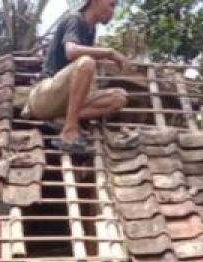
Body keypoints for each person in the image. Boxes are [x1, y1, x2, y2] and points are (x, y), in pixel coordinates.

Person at [26, 0, 129, 154]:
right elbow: (71, 51)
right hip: (44, 95)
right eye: (111, 5)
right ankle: (69, 132)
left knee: (119, 97)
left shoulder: (90, 30)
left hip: (62, 103)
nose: (113, 12)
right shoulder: (74, 19)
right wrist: (109, 53)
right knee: (87, 62)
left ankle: (63, 119)